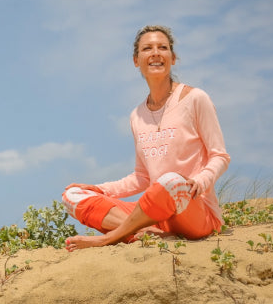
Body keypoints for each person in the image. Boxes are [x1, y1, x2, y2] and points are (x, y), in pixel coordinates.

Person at [62, 25, 230, 251]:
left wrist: (198, 183)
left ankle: (107, 239)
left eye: (163, 47)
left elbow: (219, 156)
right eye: (147, 48)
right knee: (72, 196)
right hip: (157, 217)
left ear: (173, 58)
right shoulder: (137, 115)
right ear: (136, 60)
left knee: (171, 181)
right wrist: (100, 189)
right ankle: (146, 234)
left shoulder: (195, 99)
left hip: (193, 208)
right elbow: (142, 177)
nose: (156, 53)